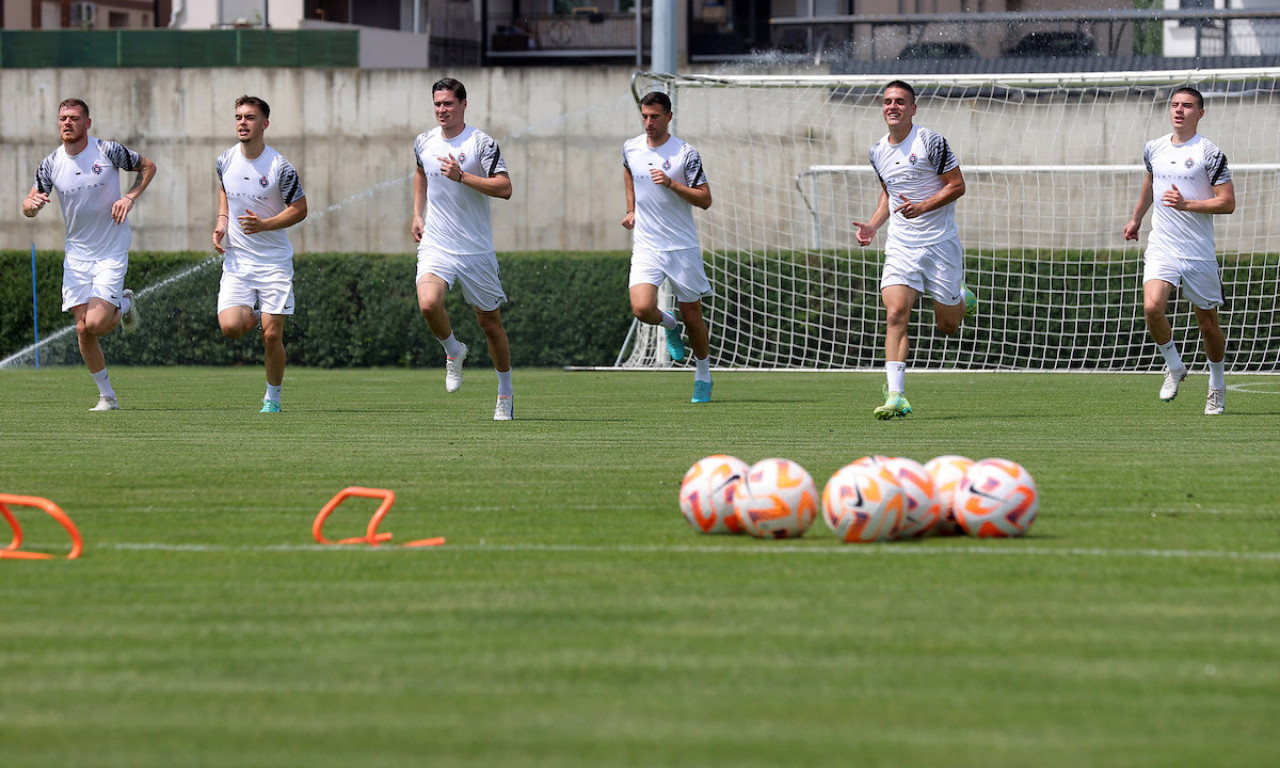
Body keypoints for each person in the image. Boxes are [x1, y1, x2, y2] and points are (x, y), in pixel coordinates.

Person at [23, 98, 157, 411]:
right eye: (62, 119)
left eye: (73, 118)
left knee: (95, 324)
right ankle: (107, 397)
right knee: (82, 328)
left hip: (110, 249)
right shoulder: (50, 164)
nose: (66, 123)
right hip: (77, 255)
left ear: (87, 123)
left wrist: (129, 197)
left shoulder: (107, 150)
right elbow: (30, 201)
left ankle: (124, 303)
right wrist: (29, 207)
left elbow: (148, 166)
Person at [853, 80, 974, 421]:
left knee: (948, 326)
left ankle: (963, 299)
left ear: (913, 108)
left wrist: (923, 206)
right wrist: (875, 225)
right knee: (895, 314)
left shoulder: (930, 141)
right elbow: (889, 193)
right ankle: (896, 396)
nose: (893, 106)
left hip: (940, 245)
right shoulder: (877, 150)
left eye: (901, 101)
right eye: (888, 101)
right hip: (901, 246)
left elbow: (957, 185)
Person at [1123, 87, 1235, 415]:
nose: (1179, 110)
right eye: (1175, 104)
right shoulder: (1154, 148)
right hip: (1163, 244)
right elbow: (1150, 183)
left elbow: (1227, 203)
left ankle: (1216, 384)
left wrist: (1188, 205)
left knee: (1208, 325)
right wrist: (1136, 218)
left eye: (1187, 106)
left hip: (1197, 250)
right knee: (1152, 306)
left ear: (1200, 113)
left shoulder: (1210, 154)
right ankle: (1174, 365)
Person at [411, 77, 515, 421]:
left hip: (475, 250)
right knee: (428, 303)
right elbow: (421, 173)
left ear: (463, 105)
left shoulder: (481, 143)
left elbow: (504, 188)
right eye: (438, 104)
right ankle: (454, 351)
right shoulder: (423, 142)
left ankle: (505, 394)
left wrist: (463, 177)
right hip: (436, 243)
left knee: (490, 325)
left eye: (449, 104)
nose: (442, 110)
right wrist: (417, 214)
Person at [212, 95, 308, 413]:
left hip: (274, 263)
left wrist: (264, 224)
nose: (242, 122)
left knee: (272, 335)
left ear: (264, 124)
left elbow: (300, 209)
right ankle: (257, 316)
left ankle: (273, 398)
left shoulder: (280, 167)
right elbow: (225, 190)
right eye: (238, 116)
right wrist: (222, 222)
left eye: (250, 117)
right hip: (237, 261)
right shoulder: (224, 160)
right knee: (230, 327)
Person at [621, 91, 715, 403]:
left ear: (669, 117)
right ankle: (668, 323)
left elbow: (705, 199)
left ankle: (703, 374)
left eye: (655, 117)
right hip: (647, 244)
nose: (648, 122)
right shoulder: (631, 148)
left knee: (694, 316)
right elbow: (629, 172)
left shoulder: (685, 153)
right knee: (642, 308)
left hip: (682, 246)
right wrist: (631, 209)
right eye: (645, 116)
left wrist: (672, 184)